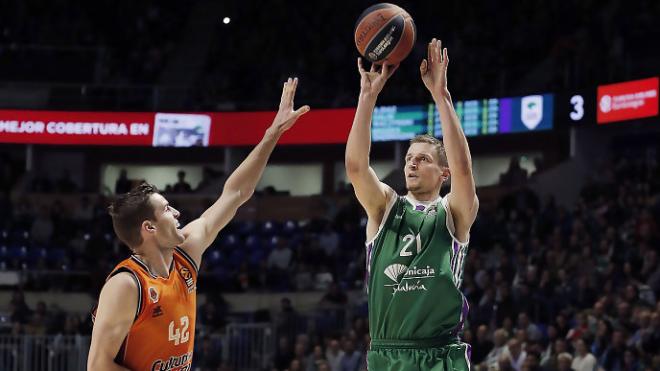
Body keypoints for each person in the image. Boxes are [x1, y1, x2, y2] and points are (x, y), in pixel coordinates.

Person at [87, 78, 310, 370]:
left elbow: (236, 193)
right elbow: (97, 366)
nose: (178, 212)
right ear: (149, 228)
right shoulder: (127, 285)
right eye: (167, 209)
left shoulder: (186, 253)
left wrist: (272, 134)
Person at [345, 39, 478, 370]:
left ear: (443, 173)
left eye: (422, 159)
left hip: (439, 353)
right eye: (408, 159)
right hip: (387, 354)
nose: (411, 165)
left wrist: (441, 96)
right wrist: (367, 97)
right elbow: (356, 168)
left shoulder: (453, 212)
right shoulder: (385, 207)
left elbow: (464, 168)